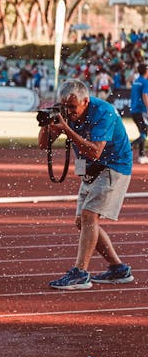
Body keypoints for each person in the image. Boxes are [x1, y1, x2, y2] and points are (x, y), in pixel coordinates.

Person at [38, 79, 134, 290]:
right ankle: (118, 269)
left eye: (73, 107)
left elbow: (95, 151)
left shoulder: (103, 112)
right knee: (83, 222)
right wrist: (48, 124)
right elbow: (43, 144)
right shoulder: (65, 112)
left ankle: (80, 273)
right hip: (91, 168)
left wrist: (65, 128)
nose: (70, 112)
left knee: (90, 215)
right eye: (66, 107)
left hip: (113, 165)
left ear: (86, 101)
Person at [130, 63, 148, 164]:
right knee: (144, 133)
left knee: (143, 132)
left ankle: (141, 155)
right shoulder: (145, 82)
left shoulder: (136, 81)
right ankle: (129, 147)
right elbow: (145, 95)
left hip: (134, 111)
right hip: (141, 111)